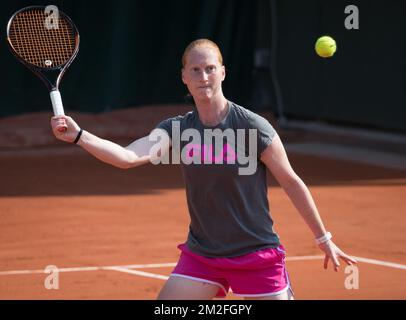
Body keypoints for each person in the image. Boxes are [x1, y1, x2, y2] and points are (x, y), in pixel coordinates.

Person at [51, 39, 357, 300]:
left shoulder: (252, 126)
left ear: (222, 72)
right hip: (203, 256)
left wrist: (323, 237)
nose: (203, 76)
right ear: (184, 76)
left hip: (256, 255)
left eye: (210, 68)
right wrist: (80, 135)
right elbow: (127, 157)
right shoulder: (178, 128)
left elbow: (291, 181)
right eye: (195, 70)